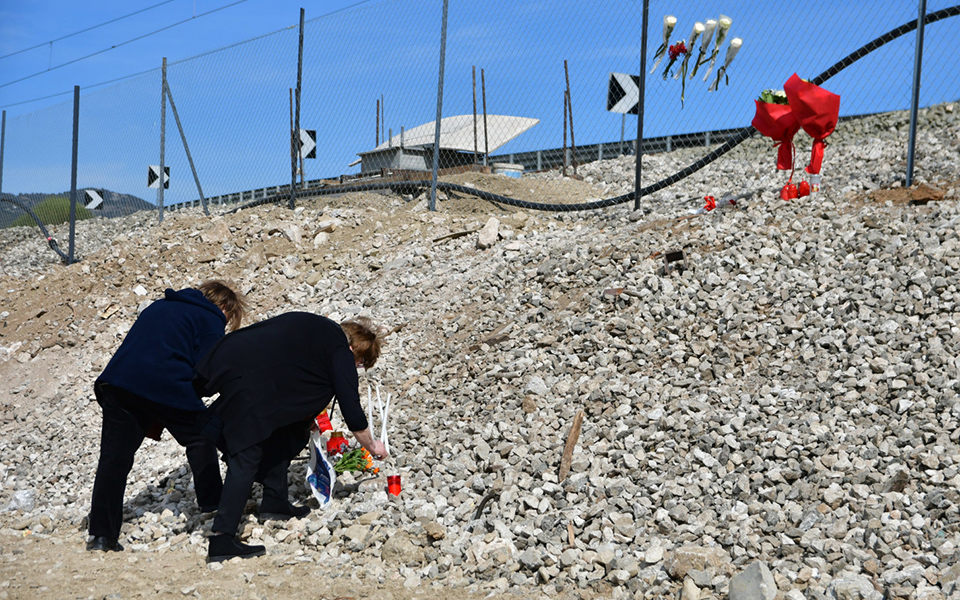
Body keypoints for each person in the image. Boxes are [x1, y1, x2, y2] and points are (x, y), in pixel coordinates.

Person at [193, 312, 387, 563]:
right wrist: (372, 445)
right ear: (355, 349)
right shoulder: (340, 351)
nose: (356, 368)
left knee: (290, 432)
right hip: (252, 389)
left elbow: (290, 371)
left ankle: (275, 501)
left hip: (232, 362)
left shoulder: (317, 330)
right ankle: (222, 539)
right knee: (247, 456)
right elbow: (351, 408)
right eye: (360, 362)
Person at [86, 280, 247, 552]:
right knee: (201, 436)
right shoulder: (210, 317)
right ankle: (214, 503)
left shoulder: (159, 306)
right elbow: (210, 366)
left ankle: (102, 536)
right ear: (224, 306)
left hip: (117, 383)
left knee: (114, 460)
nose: (227, 320)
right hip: (164, 384)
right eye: (229, 316)